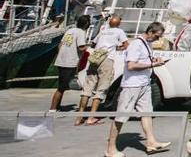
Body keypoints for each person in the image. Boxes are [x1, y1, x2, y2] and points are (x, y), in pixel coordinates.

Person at [105, 21, 171, 157]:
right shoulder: (136, 44)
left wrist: (155, 60)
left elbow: (145, 60)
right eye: (157, 36)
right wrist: (152, 65)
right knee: (121, 116)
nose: (158, 39)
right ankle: (110, 149)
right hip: (132, 85)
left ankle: (151, 142)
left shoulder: (146, 44)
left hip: (144, 84)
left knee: (146, 113)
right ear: (150, 32)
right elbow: (131, 65)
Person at [77, 15, 129, 125]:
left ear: (110, 23)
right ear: (119, 24)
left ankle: (79, 117)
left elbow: (93, 44)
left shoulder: (103, 31)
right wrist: (116, 48)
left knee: (87, 89)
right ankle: (91, 117)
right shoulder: (119, 32)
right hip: (107, 60)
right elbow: (126, 45)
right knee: (101, 89)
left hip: (95, 59)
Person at [50, 14, 89, 111]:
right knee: (61, 87)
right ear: (86, 24)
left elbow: (60, 45)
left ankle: (57, 106)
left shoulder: (70, 30)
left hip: (61, 61)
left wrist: (61, 56)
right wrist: (89, 46)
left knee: (62, 84)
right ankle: (52, 108)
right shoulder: (81, 32)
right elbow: (81, 47)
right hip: (69, 63)